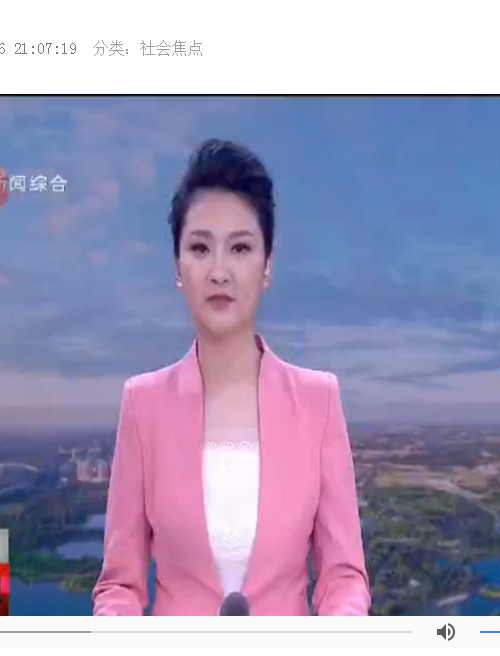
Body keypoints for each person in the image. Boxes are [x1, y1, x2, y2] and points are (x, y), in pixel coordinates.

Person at [92, 139, 371, 616]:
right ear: (178, 267)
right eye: (200, 248)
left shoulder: (318, 401)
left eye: (240, 248)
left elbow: (343, 578)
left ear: (267, 266)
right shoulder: (143, 404)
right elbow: (120, 585)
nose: (219, 271)